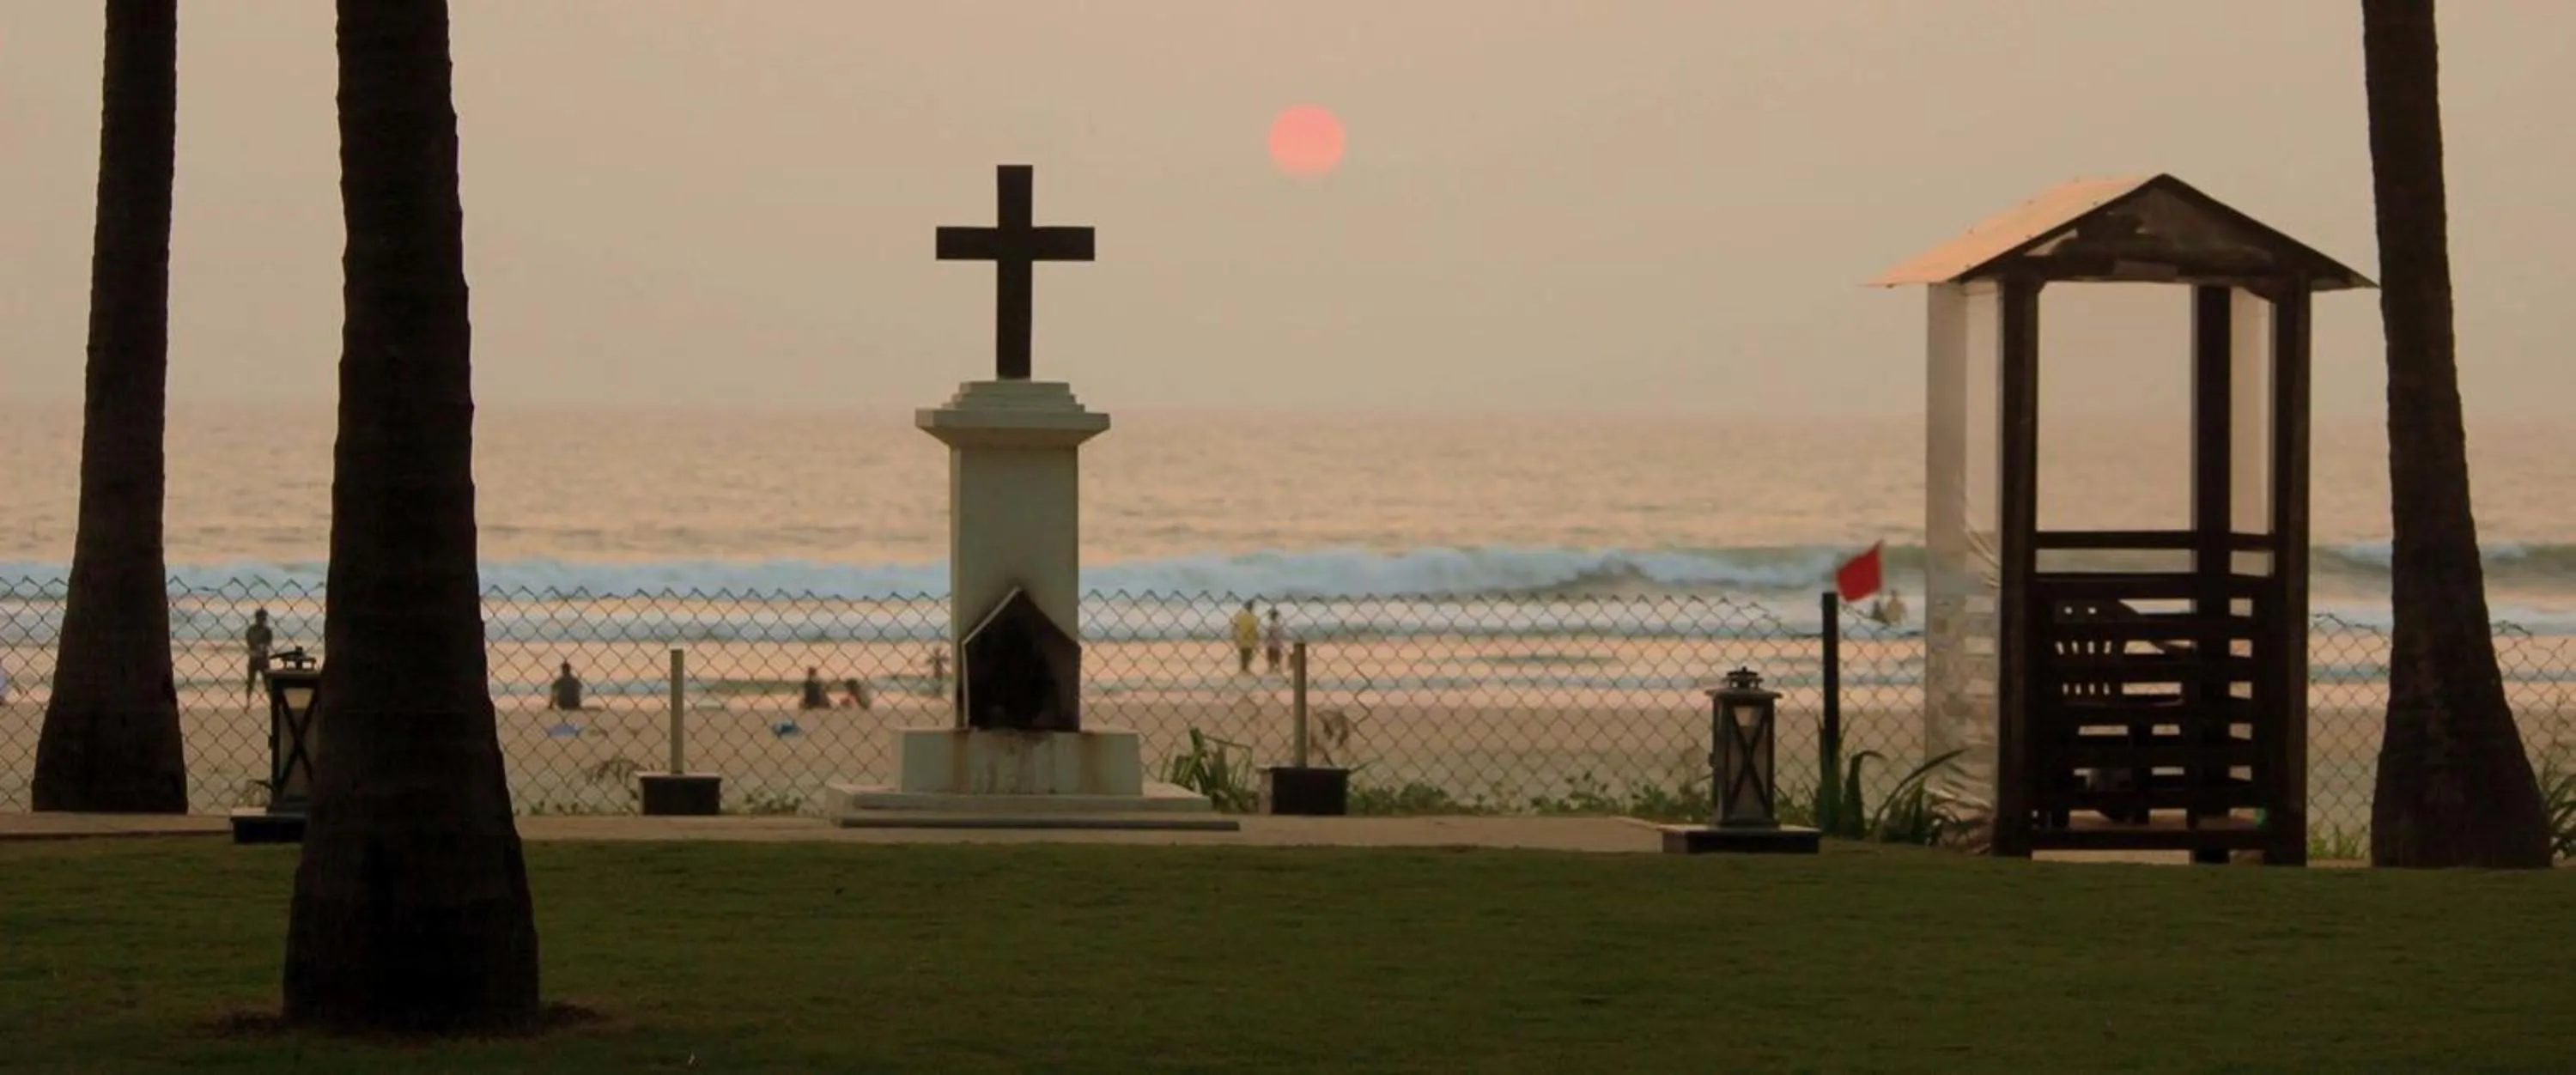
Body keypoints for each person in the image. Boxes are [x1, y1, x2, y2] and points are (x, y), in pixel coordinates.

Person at [244, 609, 274, 702]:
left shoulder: (267, 630)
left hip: (263, 659)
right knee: (250, 682)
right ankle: (248, 701)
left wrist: (262, 647)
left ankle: (271, 701)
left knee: (267, 683)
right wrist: (256, 647)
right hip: (254, 658)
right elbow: (249, 642)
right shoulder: (251, 630)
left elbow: (268, 643)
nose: (263, 620)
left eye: (264, 618)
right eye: (261, 617)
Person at [1229, 600, 1260, 675]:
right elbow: (1255, 629)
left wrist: (1234, 635)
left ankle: (1243, 668)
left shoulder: (1241, 616)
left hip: (1241, 637)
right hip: (1250, 638)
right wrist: (1257, 638)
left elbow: (1235, 625)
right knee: (1248, 654)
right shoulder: (1254, 617)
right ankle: (1246, 668)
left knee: (1243, 654)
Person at [1263, 607, 1289, 674]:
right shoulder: (1279, 624)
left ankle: (1271, 668)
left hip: (1271, 643)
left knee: (1270, 656)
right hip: (1278, 643)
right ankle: (1278, 668)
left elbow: (1268, 634)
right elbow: (1283, 633)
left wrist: (1265, 640)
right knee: (1277, 655)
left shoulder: (1271, 624)